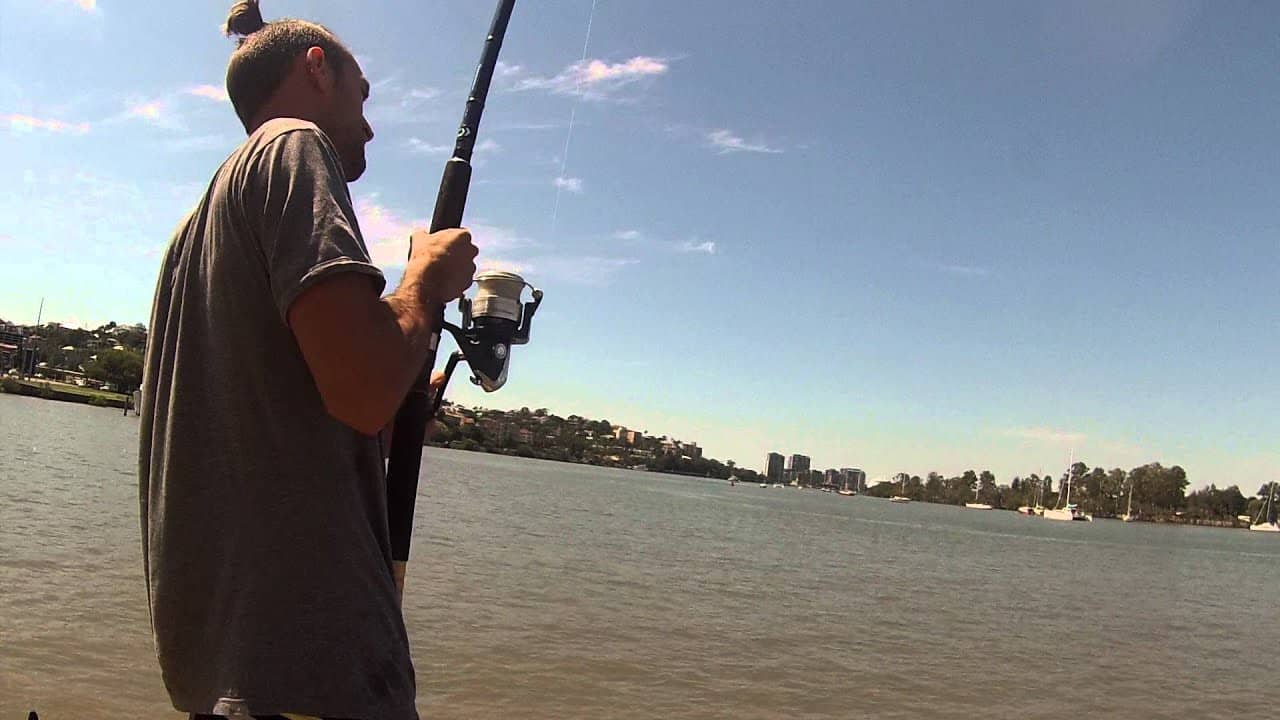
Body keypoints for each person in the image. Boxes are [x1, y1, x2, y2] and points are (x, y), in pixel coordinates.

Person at [138, 2, 477, 718]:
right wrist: (426, 279)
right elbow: (360, 386)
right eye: (363, 94)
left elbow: (319, 413)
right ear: (315, 69)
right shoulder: (293, 145)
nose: (371, 122)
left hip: (223, 675)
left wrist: (397, 413)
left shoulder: (189, 237)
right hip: (312, 673)